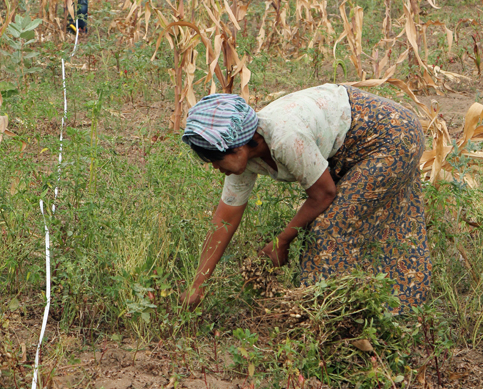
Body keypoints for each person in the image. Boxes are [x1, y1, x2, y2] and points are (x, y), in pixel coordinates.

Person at [180, 85, 431, 311]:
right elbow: (225, 217)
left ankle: (328, 317)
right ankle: (383, 305)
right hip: (353, 141)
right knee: (348, 224)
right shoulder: (244, 156)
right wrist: (198, 283)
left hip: (390, 135)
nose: (213, 166)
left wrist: (282, 242)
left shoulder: (285, 137)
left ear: (239, 144)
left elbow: (323, 194)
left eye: (214, 159)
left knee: (329, 228)